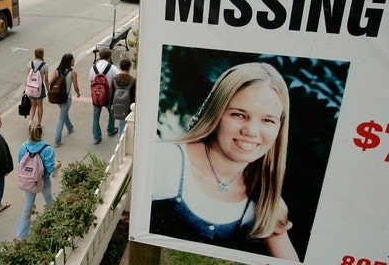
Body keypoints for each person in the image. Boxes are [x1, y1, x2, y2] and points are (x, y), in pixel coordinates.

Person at [150, 62, 299, 261]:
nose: (251, 131)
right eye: (238, 114)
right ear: (216, 113)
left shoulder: (265, 199)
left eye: (268, 120)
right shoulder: (165, 161)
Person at [16, 122, 62, 239]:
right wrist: (57, 165)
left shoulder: (23, 146)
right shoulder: (47, 149)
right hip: (43, 180)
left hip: (29, 181)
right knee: (48, 200)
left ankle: (21, 236)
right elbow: (50, 168)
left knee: (28, 205)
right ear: (41, 133)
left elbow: (19, 161)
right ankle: (54, 225)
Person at [89, 48, 120, 144]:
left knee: (96, 116)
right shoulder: (111, 67)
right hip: (108, 96)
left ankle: (96, 137)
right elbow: (119, 77)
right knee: (111, 112)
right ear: (109, 57)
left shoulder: (94, 67)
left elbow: (91, 80)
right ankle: (110, 130)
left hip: (96, 95)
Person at [49, 53, 81, 147]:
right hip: (67, 99)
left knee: (64, 113)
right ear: (69, 61)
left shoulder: (57, 71)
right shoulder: (73, 73)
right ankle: (57, 141)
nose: (74, 61)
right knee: (61, 118)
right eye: (72, 60)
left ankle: (70, 127)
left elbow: (50, 83)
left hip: (58, 98)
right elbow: (75, 87)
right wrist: (78, 94)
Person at [110, 58, 136, 138]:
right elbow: (134, 95)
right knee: (129, 127)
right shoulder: (133, 80)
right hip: (129, 107)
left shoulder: (114, 79)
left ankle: (121, 143)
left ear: (120, 67)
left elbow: (111, 94)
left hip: (119, 106)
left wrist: (112, 105)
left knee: (122, 126)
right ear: (129, 67)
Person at [27, 47, 49, 126]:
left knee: (33, 105)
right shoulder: (45, 65)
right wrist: (48, 90)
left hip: (31, 88)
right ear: (42, 54)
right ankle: (39, 123)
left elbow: (28, 77)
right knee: (40, 105)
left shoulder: (30, 63)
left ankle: (30, 122)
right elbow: (46, 80)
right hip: (39, 88)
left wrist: (25, 88)